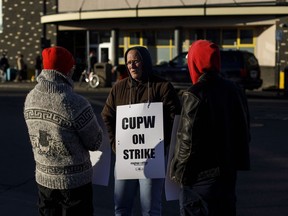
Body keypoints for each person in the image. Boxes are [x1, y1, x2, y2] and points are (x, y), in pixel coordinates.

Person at [170, 40, 250, 216]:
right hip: (227, 174)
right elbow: (244, 132)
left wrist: (178, 174)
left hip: (200, 177)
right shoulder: (235, 90)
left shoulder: (194, 94)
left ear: (194, 63)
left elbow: (187, 141)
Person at [101, 46, 181, 216]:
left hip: (152, 160)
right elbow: (106, 116)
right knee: (121, 208)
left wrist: (162, 142)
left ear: (145, 62)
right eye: (129, 62)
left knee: (151, 210)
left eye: (136, 61)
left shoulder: (163, 87)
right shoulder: (119, 88)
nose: (132, 66)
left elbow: (176, 119)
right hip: (125, 159)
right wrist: (116, 145)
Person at [24, 46, 103, 216]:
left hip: (44, 180)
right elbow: (95, 142)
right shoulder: (75, 102)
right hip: (75, 183)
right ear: (68, 71)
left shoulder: (30, 98)